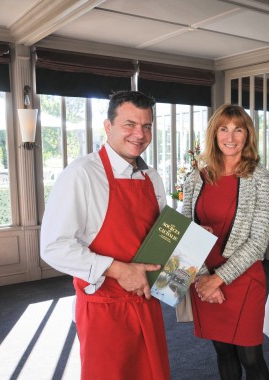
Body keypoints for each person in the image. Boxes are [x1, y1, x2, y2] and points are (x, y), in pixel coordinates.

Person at [40, 91, 170, 379]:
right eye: (129, 124)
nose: (139, 134)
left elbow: (160, 235)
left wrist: (190, 237)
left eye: (146, 126)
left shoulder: (153, 177)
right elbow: (53, 246)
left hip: (148, 302)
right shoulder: (82, 174)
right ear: (108, 127)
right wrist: (119, 270)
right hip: (105, 309)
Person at [182, 104, 269, 380]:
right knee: (222, 350)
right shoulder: (195, 178)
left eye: (238, 129)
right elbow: (185, 232)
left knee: (251, 356)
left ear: (247, 135)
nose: (230, 137)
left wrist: (218, 280)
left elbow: (258, 242)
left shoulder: (261, 179)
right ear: (214, 133)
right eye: (224, 129)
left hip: (243, 278)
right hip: (203, 276)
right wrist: (203, 280)